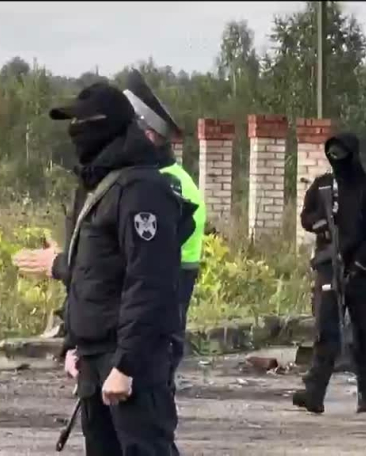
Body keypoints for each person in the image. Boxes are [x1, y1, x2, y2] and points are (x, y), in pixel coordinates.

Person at [26, 81, 195, 455]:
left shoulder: (142, 189)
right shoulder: (99, 184)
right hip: (94, 358)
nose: (75, 132)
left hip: (129, 361)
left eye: (82, 123)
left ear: (106, 126)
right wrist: (74, 343)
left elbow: (150, 283)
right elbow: (91, 275)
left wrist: (127, 366)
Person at [293, 132, 366, 415]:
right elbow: (306, 216)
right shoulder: (323, 186)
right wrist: (321, 224)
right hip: (330, 266)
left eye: (341, 154)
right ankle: (315, 392)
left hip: (364, 270)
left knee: (363, 334)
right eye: (332, 155)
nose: (336, 160)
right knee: (326, 329)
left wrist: (362, 259)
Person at [122, 69, 206, 375]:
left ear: (149, 135)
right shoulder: (169, 175)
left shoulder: (165, 181)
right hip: (176, 268)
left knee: (162, 343)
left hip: (173, 270)